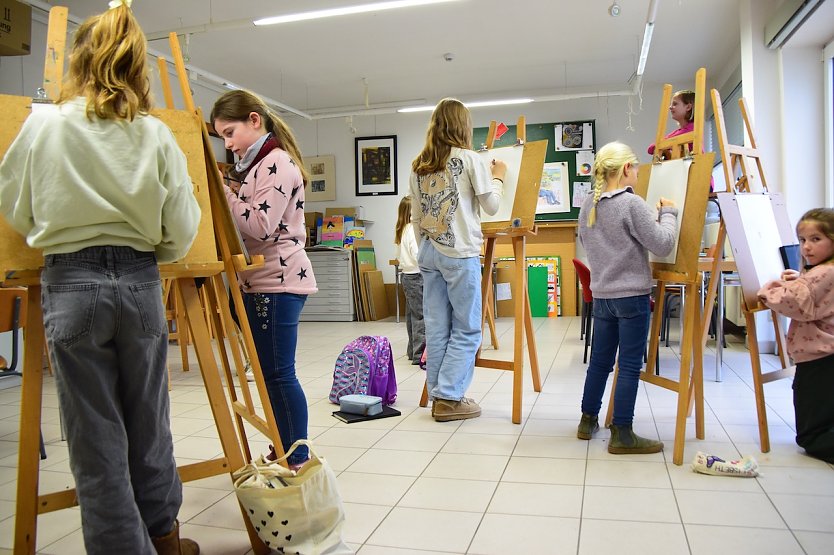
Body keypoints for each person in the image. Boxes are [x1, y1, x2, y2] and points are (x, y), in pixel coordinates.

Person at [0, 2, 201, 553]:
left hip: (70, 281)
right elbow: (181, 229)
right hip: (139, 280)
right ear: (138, 65)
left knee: (95, 438)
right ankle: (164, 537)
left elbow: (14, 208)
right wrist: (153, 248)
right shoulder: (155, 135)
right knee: (150, 422)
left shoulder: (42, 125)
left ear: (80, 60)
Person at [211, 89, 317, 468]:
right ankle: (284, 442)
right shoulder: (258, 166)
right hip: (262, 281)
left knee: (278, 373)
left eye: (229, 132)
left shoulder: (277, 163)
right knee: (270, 373)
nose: (228, 144)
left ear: (254, 121)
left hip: (279, 281)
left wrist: (225, 195)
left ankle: (297, 455)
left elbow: (260, 225)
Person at [576, 141, 678, 454]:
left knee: (600, 362)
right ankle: (622, 432)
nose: (637, 172)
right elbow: (662, 244)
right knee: (630, 364)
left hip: (603, 295)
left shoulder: (588, 206)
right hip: (632, 296)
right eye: (634, 167)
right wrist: (669, 213)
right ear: (624, 170)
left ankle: (587, 419)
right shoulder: (631, 204)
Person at [409, 97, 507, 422]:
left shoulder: (418, 165)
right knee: (467, 329)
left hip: (429, 252)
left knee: (437, 329)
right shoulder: (470, 159)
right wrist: (500, 177)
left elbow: (416, 216)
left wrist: (426, 247)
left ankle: (439, 395)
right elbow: (491, 206)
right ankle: (450, 397)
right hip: (460, 252)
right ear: (463, 126)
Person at [758, 208, 834, 463]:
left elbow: (795, 303)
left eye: (816, 239)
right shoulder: (822, 272)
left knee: (811, 434)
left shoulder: (823, 273)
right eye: (802, 241)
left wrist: (770, 289)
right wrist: (801, 280)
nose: (806, 248)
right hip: (825, 356)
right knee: (823, 414)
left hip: (818, 358)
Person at [394, 195, 425, 364]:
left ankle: (412, 350)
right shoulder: (412, 230)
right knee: (421, 316)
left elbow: (400, 256)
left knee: (412, 315)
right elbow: (417, 254)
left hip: (406, 276)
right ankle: (420, 354)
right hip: (417, 275)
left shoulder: (401, 230)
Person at [647, 89, 695, 157]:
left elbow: (653, 147)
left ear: (688, 107)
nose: (670, 107)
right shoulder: (680, 131)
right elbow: (651, 149)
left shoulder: (692, 129)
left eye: (675, 104)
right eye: (671, 104)